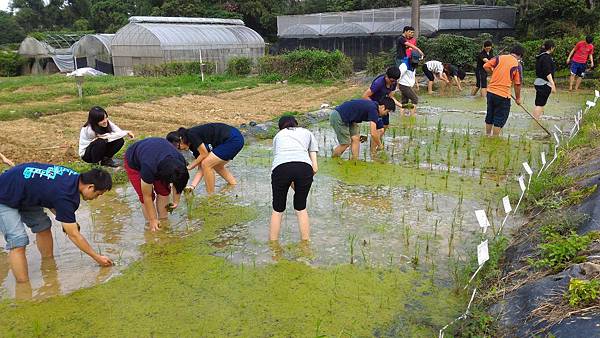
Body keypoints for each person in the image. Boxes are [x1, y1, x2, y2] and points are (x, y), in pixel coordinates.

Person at [0, 163, 113, 282]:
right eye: (98, 194)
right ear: (90, 187)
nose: (96, 198)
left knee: (43, 227)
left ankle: (48, 267)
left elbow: (51, 196)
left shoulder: (74, 178)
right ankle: (23, 289)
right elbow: (73, 235)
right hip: (3, 193)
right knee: (18, 241)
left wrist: (67, 220)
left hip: (22, 189)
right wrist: (97, 257)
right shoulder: (66, 195)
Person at [269, 116, 318, 243]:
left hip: (281, 168)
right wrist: (301, 184)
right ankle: (306, 244)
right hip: (304, 168)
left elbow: (281, 160)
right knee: (301, 208)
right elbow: (315, 168)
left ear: (280, 127)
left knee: (278, 210)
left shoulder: (278, 136)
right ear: (296, 124)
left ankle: (273, 245)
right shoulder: (307, 133)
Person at [124, 138, 189, 231]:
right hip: (135, 162)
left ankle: (163, 219)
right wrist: (153, 219)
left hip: (158, 155)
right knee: (146, 196)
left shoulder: (180, 162)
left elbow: (179, 183)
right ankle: (150, 225)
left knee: (164, 191)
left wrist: (176, 201)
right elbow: (147, 196)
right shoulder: (148, 167)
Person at [166, 123, 244, 195]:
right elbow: (201, 168)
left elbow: (204, 154)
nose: (180, 149)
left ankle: (210, 196)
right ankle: (233, 184)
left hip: (233, 139)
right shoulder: (193, 146)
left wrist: (189, 167)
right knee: (213, 165)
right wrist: (192, 186)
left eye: (178, 147)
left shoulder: (191, 134)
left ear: (180, 139)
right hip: (232, 139)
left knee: (207, 163)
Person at [330, 97, 395, 160]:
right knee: (345, 143)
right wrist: (380, 145)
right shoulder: (373, 110)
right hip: (338, 116)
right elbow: (373, 133)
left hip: (350, 119)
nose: (386, 114)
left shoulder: (374, 107)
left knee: (356, 138)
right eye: (387, 111)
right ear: (383, 107)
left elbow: (379, 129)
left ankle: (355, 160)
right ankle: (333, 160)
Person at [483, 45, 524, 136]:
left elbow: (486, 66)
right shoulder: (517, 65)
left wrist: (494, 73)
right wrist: (518, 98)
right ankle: (495, 139)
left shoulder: (499, 58)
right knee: (499, 118)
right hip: (503, 95)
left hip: (490, 92)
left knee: (490, 115)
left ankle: (487, 135)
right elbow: (517, 84)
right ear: (520, 56)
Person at [362, 66, 402, 134]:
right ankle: (375, 143)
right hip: (374, 105)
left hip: (382, 104)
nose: (393, 83)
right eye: (392, 81)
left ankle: (378, 141)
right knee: (379, 129)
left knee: (386, 125)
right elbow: (365, 96)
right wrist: (376, 107)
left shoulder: (393, 83)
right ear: (386, 76)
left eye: (395, 81)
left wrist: (401, 105)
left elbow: (390, 97)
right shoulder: (378, 83)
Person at [533, 40, 557, 120]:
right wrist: (552, 84)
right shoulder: (546, 57)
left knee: (539, 103)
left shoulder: (540, 56)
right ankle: (536, 121)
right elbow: (547, 72)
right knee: (540, 104)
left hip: (539, 82)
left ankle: (538, 118)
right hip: (544, 83)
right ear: (551, 48)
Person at [398, 52, 420, 116]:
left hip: (408, 85)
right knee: (415, 99)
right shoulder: (404, 65)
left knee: (404, 101)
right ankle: (412, 116)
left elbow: (413, 74)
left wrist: (416, 83)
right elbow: (398, 75)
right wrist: (396, 86)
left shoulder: (414, 64)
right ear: (410, 58)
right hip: (403, 85)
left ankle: (402, 116)